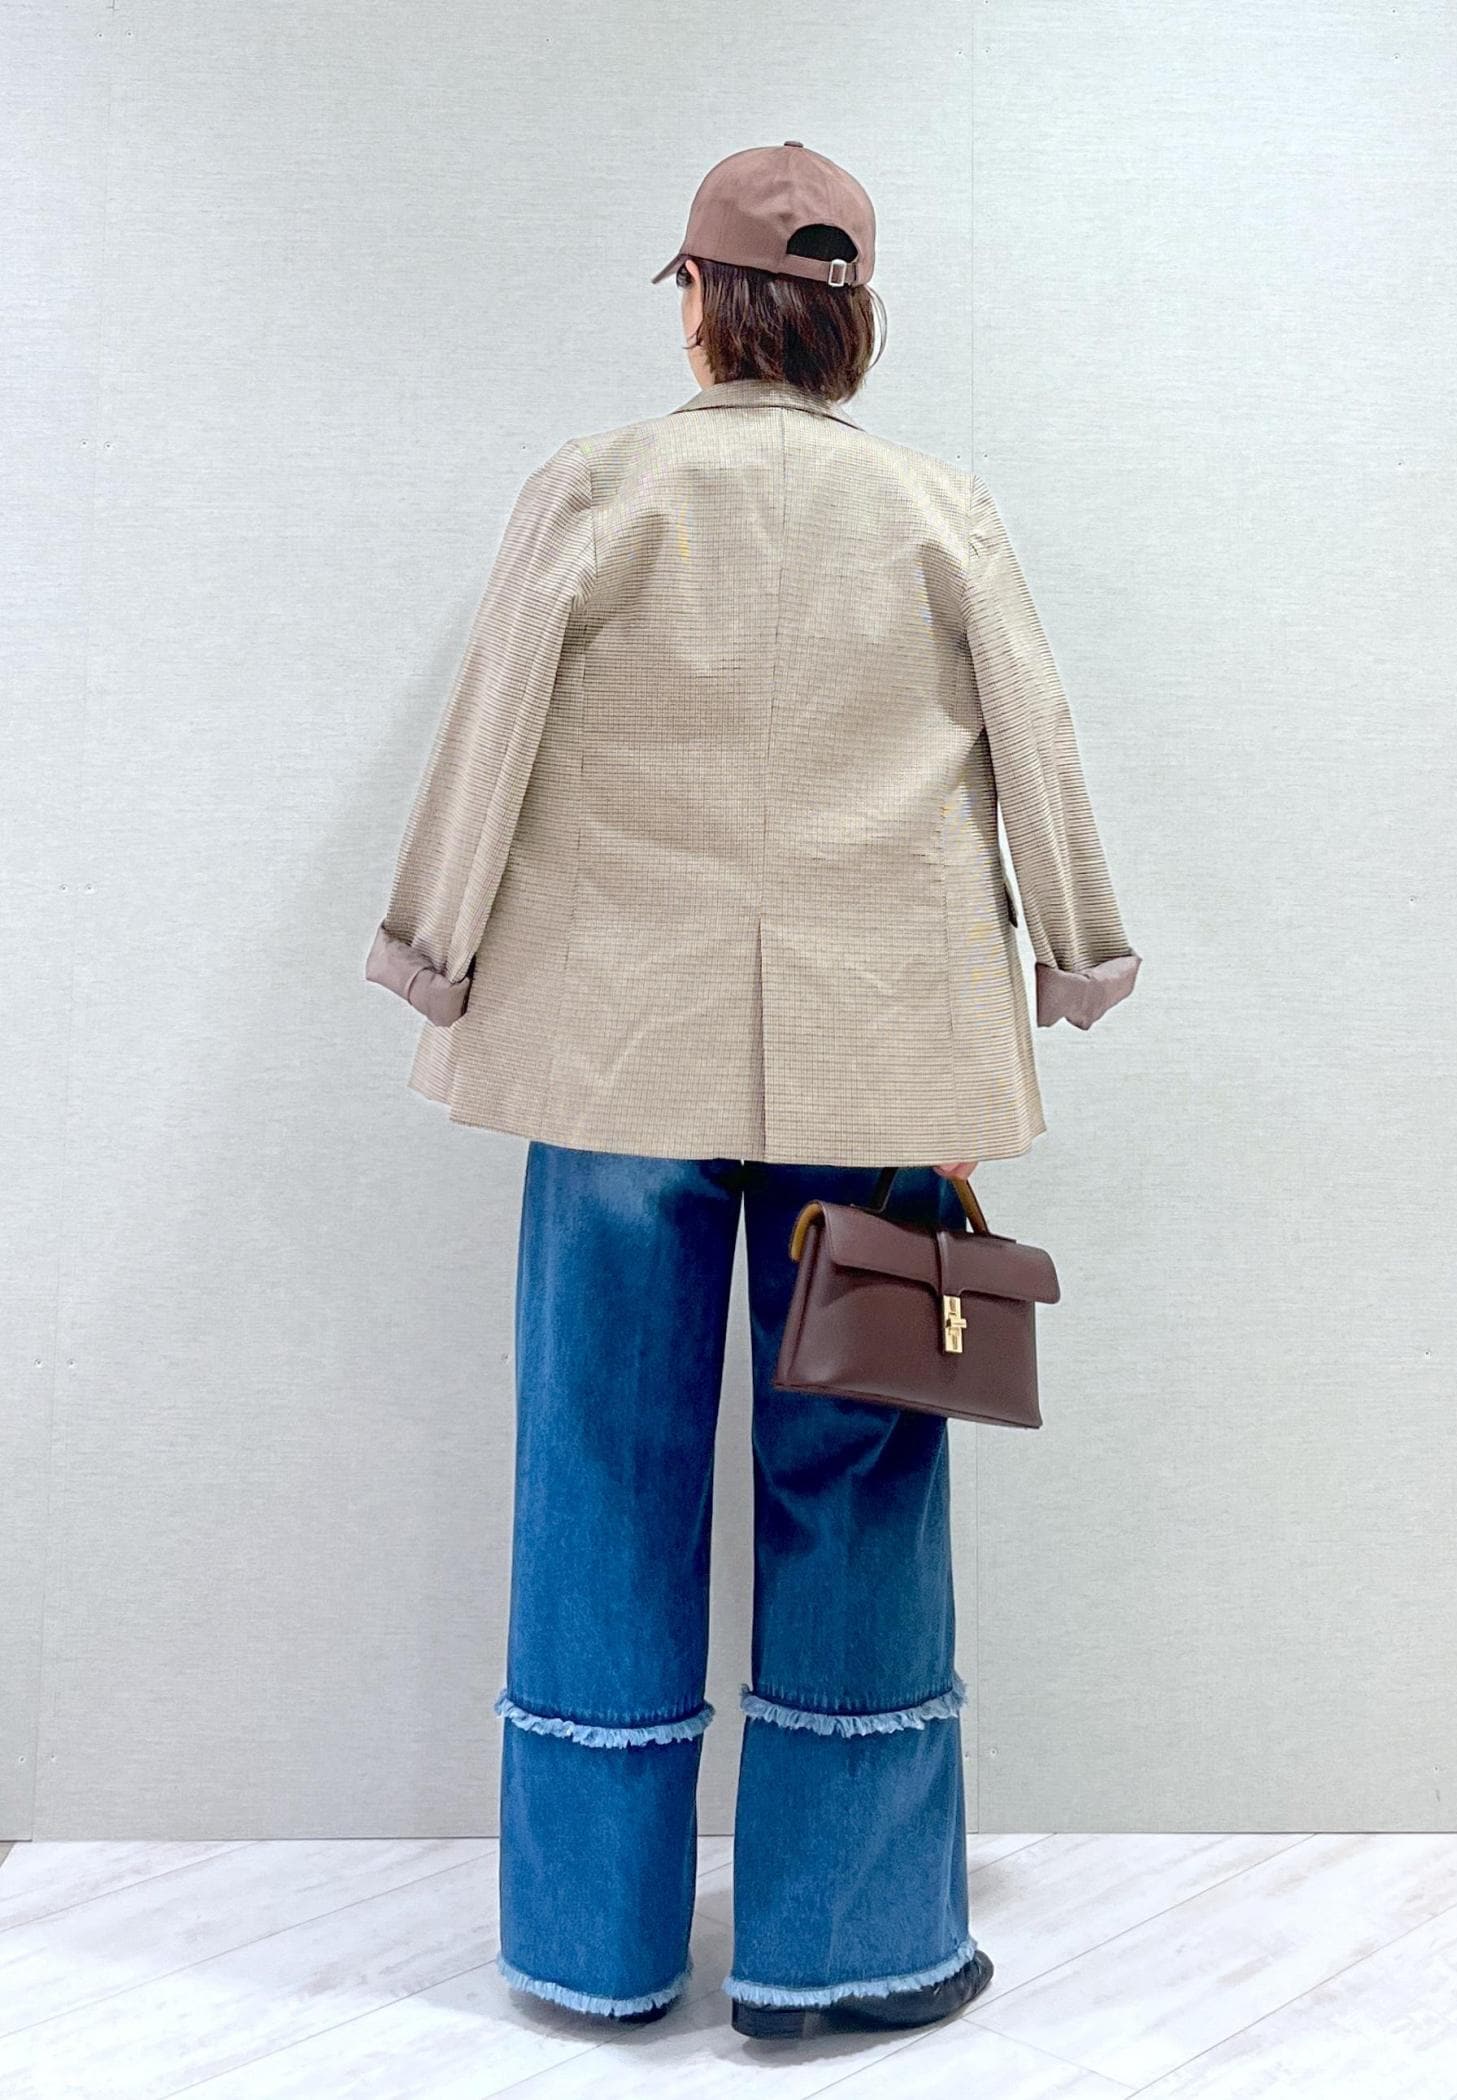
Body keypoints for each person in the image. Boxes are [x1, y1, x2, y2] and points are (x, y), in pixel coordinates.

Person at [365, 141, 1141, 2042]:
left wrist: (433, 948)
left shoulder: (598, 488)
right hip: (882, 1061)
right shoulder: (936, 509)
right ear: (854, 315)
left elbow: (490, 727)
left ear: (701, 299)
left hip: (613, 1055)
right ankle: (840, 1948)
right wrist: (1074, 952)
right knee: (861, 1474)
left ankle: (596, 1949)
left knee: (599, 1470)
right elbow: (1036, 742)